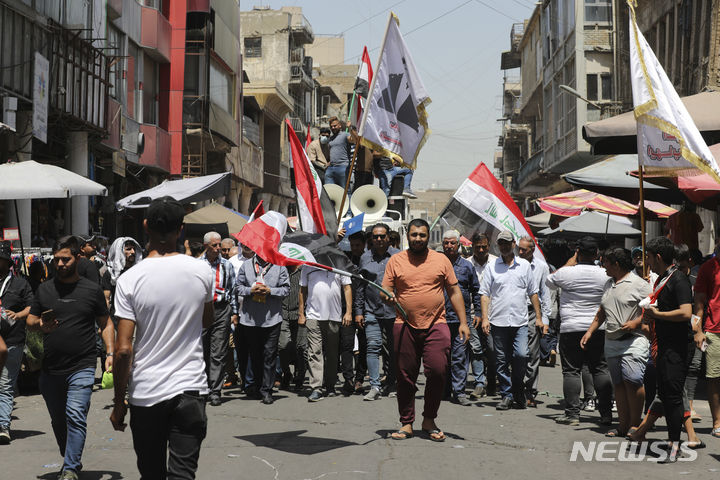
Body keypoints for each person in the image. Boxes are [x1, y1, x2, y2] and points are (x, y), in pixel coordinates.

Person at [110, 196, 215, 479]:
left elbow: (122, 350)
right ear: (180, 229)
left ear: (145, 226)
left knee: (151, 474)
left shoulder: (129, 280)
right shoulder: (202, 271)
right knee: (183, 474)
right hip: (190, 388)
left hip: (147, 393)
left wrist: (120, 403)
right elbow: (207, 320)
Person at [27, 235, 114, 480]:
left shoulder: (91, 290)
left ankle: (70, 468)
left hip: (82, 365)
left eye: (65, 259)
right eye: (56, 260)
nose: (60, 264)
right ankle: (71, 457)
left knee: (75, 413)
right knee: (58, 420)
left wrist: (110, 353)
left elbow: (106, 323)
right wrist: (40, 324)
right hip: (51, 369)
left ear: (77, 258)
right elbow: (31, 320)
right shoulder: (45, 289)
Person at [382, 218, 470, 442]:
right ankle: (407, 423)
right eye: (414, 235)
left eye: (422, 235)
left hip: (436, 324)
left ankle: (429, 419)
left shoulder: (441, 260)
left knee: (438, 371)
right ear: (407, 236)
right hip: (404, 325)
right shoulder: (396, 260)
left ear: (428, 237)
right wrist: (386, 296)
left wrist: (463, 322)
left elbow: (454, 291)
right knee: (405, 377)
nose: (418, 239)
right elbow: (385, 289)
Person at [580, 248, 650, 438]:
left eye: (606, 263)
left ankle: (637, 426)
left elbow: (652, 309)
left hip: (633, 341)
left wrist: (635, 323)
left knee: (633, 381)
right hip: (611, 341)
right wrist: (590, 332)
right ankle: (623, 425)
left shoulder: (640, 284)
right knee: (618, 384)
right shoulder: (608, 284)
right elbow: (602, 311)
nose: (603, 267)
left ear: (616, 264)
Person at [546, 236, 613, 426]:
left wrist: (569, 262)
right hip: (597, 327)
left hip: (571, 328)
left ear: (578, 252)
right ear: (597, 254)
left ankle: (572, 414)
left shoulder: (567, 273)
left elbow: (549, 281)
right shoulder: (604, 274)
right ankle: (606, 414)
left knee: (571, 371)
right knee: (600, 369)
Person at [480, 231, 542, 411]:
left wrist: (538, 317)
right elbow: (485, 294)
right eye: (501, 243)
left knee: (521, 356)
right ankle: (507, 395)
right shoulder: (492, 266)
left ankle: (517, 390)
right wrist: (485, 318)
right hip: (498, 322)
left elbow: (533, 293)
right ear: (498, 246)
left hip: (520, 322)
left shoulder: (524, 266)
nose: (505, 246)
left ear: (514, 244)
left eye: (507, 243)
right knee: (501, 361)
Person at [235, 251, 290, 404]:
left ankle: (267, 390)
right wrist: (250, 290)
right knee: (255, 354)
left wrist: (270, 290)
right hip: (250, 319)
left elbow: (286, 289)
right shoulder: (246, 266)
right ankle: (256, 386)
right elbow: (237, 287)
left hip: (272, 319)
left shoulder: (279, 266)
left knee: (269, 354)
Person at [355, 223, 399, 401]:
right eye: (376, 237)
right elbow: (360, 287)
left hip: (394, 311)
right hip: (371, 310)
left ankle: (392, 382)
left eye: (382, 236)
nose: (379, 240)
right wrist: (359, 311)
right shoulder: (365, 258)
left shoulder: (398, 257)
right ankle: (375, 386)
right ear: (371, 239)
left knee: (394, 350)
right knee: (373, 347)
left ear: (388, 237)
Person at [300, 262, 352, 401]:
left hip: (334, 316)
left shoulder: (339, 263)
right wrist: (301, 313)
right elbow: (302, 289)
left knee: (332, 353)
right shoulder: (308, 264)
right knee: (314, 351)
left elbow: (347, 288)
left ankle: (330, 385)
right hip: (313, 315)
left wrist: (348, 312)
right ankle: (316, 387)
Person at [441, 230, 481, 406]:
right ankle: (443, 390)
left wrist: (478, 313)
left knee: (459, 357)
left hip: (460, 321)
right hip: (440, 319)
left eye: (452, 243)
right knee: (441, 357)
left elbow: (476, 291)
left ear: (458, 245)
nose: (449, 246)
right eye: (446, 243)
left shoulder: (467, 266)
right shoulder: (436, 264)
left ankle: (459, 392)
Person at [0, 241, 33, 444]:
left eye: (2, 260)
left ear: (8, 262)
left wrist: (18, 314)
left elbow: (32, 306)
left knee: (5, 384)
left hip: (12, 339)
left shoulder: (21, 284)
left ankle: (3, 426)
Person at [200, 232, 238, 406]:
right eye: (214, 246)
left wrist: (234, 312)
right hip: (201, 310)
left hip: (222, 310)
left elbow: (232, 289)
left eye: (219, 246)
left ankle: (215, 390)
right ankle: (203, 387)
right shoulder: (197, 265)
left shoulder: (226, 265)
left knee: (218, 351)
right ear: (206, 245)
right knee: (202, 350)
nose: (218, 249)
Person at [517, 236, 552, 408]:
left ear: (532, 250)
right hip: (514, 312)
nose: (521, 252)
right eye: (519, 249)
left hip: (532, 313)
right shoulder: (513, 264)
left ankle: (530, 391)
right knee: (517, 354)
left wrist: (544, 319)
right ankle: (514, 389)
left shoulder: (541, 267)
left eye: (524, 250)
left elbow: (545, 295)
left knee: (532, 354)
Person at [470, 232, 497, 398]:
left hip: (494, 314)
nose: (481, 249)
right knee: (476, 349)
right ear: (472, 246)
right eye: (477, 246)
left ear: (488, 246)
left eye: (484, 246)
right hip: (473, 314)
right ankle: (479, 382)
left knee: (493, 349)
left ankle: (492, 379)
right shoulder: (467, 264)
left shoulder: (496, 263)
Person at [341, 231, 367, 395]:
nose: (355, 248)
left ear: (364, 244)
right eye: (352, 245)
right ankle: (348, 379)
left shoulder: (368, 260)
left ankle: (360, 378)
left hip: (365, 310)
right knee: (347, 345)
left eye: (358, 245)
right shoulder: (345, 259)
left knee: (364, 346)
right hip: (347, 309)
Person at [279, 264, 306, 391]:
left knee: (300, 347)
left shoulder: (304, 270)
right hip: (282, 313)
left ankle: (300, 376)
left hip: (300, 313)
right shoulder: (280, 269)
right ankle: (286, 373)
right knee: (283, 345)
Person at [324, 116, 359, 187]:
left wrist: (350, 128)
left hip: (342, 167)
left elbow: (355, 140)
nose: (333, 128)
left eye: (335, 126)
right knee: (329, 190)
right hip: (331, 168)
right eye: (331, 126)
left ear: (339, 125)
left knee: (345, 192)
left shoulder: (345, 135)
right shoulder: (331, 139)